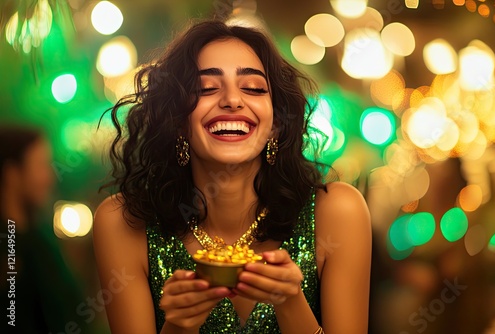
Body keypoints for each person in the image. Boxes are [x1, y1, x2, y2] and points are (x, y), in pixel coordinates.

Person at [93, 20, 371, 334]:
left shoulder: (338, 212)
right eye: (206, 89)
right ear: (179, 122)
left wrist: (290, 302)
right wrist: (179, 325)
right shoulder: (122, 223)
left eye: (253, 88)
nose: (232, 101)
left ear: (276, 124)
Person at [0, 126, 89, 333]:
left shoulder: (39, 237)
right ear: (12, 174)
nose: (50, 177)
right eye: (41, 166)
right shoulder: (11, 246)